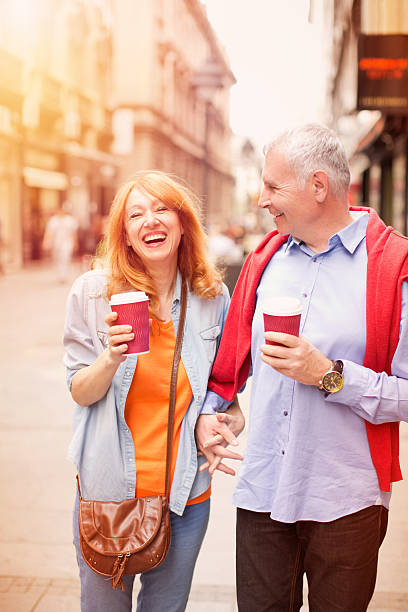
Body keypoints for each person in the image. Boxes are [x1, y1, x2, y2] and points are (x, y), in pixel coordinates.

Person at [196, 123, 408, 611]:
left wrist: (329, 375)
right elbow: (231, 364)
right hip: (264, 490)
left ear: (318, 186)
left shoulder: (393, 265)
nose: (261, 199)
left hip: (346, 498)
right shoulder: (264, 259)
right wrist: (215, 410)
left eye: (272, 187)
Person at [63, 170, 244, 612]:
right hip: (109, 493)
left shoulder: (211, 296)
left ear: (183, 223)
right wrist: (111, 358)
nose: (151, 221)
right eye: (136, 214)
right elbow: (80, 391)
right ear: (124, 232)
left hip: (184, 495)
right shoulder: (93, 294)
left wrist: (219, 420)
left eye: (163, 209)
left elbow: (227, 399)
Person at [43, 202, 78, 282]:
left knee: (65, 257)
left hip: (67, 243)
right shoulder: (53, 220)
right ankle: (59, 274)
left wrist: (75, 243)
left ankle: (63, 275)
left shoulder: (70, 220)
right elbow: (49, 232)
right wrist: (46, 241)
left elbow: (73, 233)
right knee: (56, 258)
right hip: (55, 243)